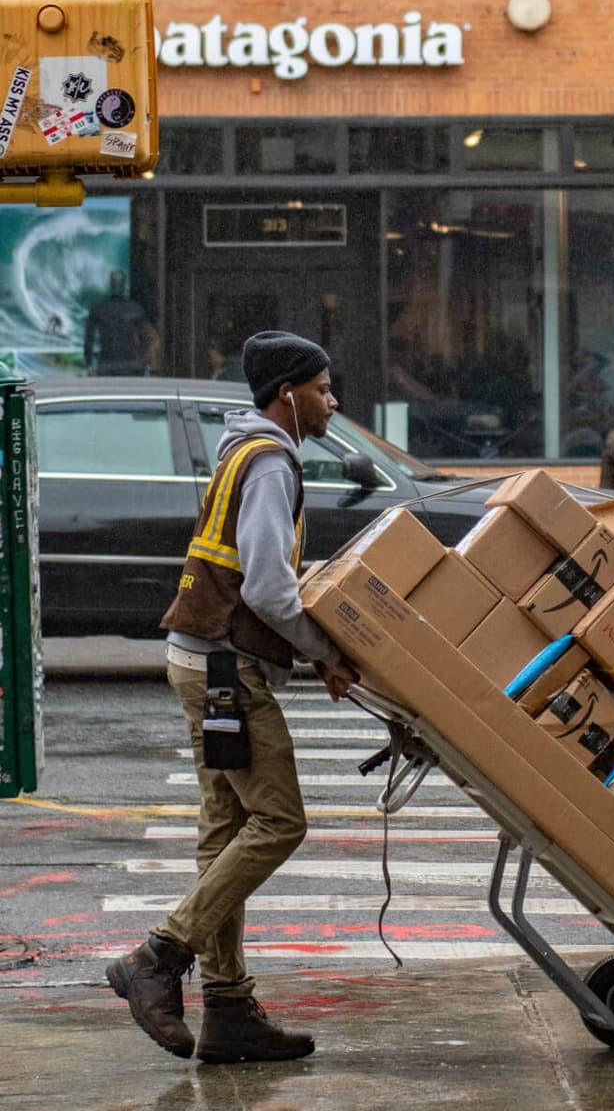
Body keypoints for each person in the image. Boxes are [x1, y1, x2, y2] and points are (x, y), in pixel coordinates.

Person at [106, 330, 358, 1064]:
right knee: (279, 823)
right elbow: (271, 589)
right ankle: (158, 955)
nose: (331, 399)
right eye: (322, 386)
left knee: (225, 833)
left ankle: (228, 1010)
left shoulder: (241, 449)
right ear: (288, 394)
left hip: (200, 661)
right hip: (227, 669)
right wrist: (328, 655)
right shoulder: (272, 463)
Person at [84, 270, 156, 376]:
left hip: (106, 363)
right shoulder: (135, 309)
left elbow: (89, 339)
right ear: (124, 285)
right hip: (129, 364)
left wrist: (89, 364)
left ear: (110, 285)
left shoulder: (98, 308)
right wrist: (146, 363)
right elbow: (147, 339)